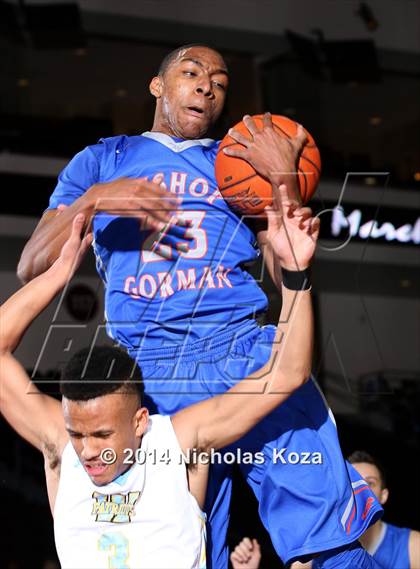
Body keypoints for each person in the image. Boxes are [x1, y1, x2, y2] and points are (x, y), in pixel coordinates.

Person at [17, 44, 383, 568]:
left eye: (219, 79)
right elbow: (31, 264)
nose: (207, 85)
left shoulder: (238, 161)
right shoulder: (103, 159)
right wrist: (93, 199)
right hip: (154, 371)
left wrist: (288, 202)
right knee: (185, 549)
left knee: (327, 540)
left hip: (245, 350)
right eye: (191, 73)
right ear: (157, 86)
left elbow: (284, 264)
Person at [3, 194, 316, 568]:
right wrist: (58, 273)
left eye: (102, 435)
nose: (87, 451)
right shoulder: (61, 447)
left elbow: (287, 372)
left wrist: (295, 272)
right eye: (78, 434)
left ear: (139, 422)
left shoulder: (179, 443)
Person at [349, 451, 420, 569]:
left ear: (383, 495)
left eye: (370, 483)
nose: (362, 491)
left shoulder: (413, 545)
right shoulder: (320, 545)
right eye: (353, 483)